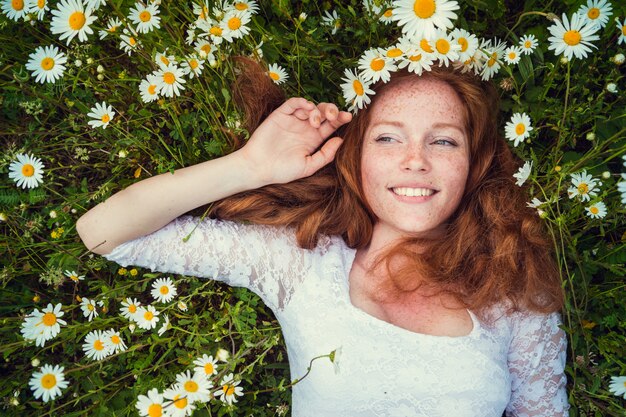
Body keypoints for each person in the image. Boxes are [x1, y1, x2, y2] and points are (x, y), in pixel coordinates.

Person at [76, 59, 569, 416]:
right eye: (388, 137)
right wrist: (251, 165)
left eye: (443, 140)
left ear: (473, 163)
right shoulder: (301, 263)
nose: (415, 160)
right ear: (354, 159)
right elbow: (105, 233)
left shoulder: (515, 294)